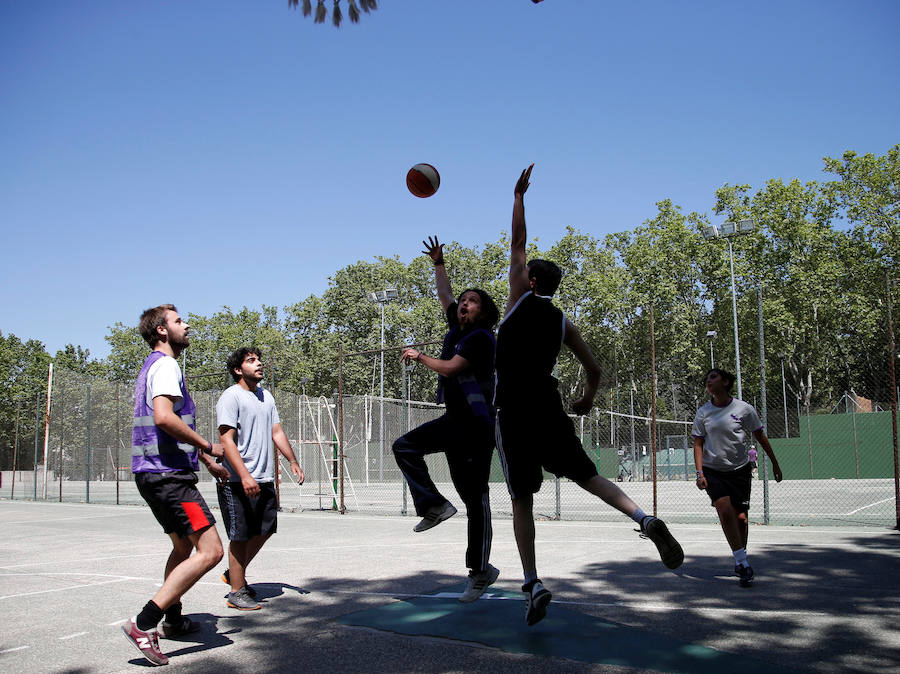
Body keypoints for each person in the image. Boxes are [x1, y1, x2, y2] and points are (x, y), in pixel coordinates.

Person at [496, 165, 684, 627]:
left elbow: (517, 244)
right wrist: (587, 399)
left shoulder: (520, 298)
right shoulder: (561, 321)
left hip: (515, 409)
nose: (516, 273)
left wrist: (518, 197)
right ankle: (644, 519)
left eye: (522, 273)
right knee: (587, 475)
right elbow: (594, 368)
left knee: (522, 499)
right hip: (549, 404)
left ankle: (533, 582)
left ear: (531, 282)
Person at [393, 236, 500, 603]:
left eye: (472, 301)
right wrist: (438, 263)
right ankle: (435, 505)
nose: (463, 305)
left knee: (476, 500)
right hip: (455, 420)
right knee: (404, 446)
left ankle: (480, 571)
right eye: (464, 301)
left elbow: (453, 369)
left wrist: (420, 356)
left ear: (484, 312)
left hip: (476, 427)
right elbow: (445, 295)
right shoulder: (457, 329)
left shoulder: (483, 338)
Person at [123, 304, 228, 666]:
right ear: (162, 331)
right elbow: (165, 418)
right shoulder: (166, 365)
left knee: (183, 547)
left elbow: (164, 427)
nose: (187, 325)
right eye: (179, 321)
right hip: (168, 478)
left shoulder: (153, 367)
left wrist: (207, 463)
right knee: (212, 551)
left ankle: (174, 618)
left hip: (154, 472)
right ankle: (143, 623)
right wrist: (207, 445)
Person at [216, 347, 305, 610]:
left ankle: (235, 573)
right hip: (237, 481)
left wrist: (292, 460)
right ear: (237, 369)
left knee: (265, 530)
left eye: (259, 359)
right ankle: (236, 591)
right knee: (240, 535)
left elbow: (276, 431)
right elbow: (225, 439)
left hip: (264, 478)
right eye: (251, 361)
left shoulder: (266, 396)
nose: (259, 363)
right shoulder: (230, 397)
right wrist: (243, 475)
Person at [692, 368, 783, 588]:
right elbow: (697, 443)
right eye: (707, 379)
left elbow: (760, 435)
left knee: (741, 518)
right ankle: (742, 563)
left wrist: (775, 462)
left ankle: (739, 555)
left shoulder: (744, 409)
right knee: (724, 510)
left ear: (725, 382)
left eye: (712, 377)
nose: (708, 381)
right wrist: (699, 473)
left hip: (740, 470)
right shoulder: (703, 413)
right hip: (713, 470)